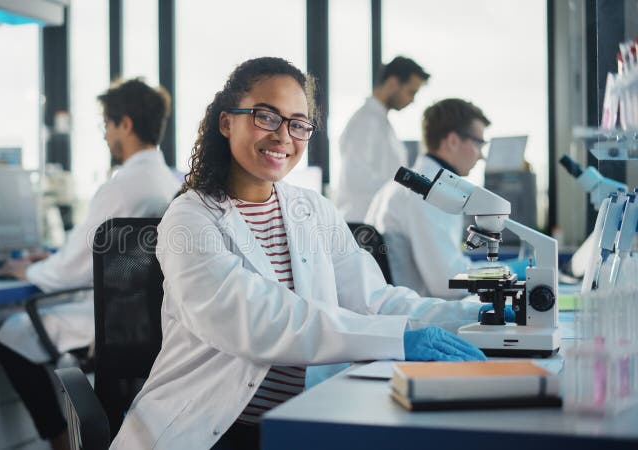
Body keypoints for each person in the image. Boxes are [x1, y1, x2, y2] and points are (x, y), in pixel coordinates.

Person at [110, 57, 490, 450]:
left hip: (307, 418)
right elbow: (259, 320)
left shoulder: (313, 209)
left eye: (297, 123)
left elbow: (375, 300)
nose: (283, 136)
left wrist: (474, 315)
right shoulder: (188, 219)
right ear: (227, 122)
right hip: (211, 429)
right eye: (265, 117)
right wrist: (398, 338)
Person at [0, 78, 181, 450]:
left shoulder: (121, 185)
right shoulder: (165, 179)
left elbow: (71, 271)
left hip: (108, 322)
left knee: (8, 335)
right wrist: (56, 258)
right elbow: (97, 253)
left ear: (124, 124)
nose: (106, 136)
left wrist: (26, 270)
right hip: (146, 322)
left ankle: (60, 442)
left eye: (106, 126)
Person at [364, 98, 496, 298]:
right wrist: (507, 273)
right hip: (421, 314)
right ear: (452, 141)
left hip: (400, 310)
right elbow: (449, 283)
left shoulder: (395, 187)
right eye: (479, 143)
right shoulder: (433, 194)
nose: (481, 156)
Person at [334, 56, 430, 222]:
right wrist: (407, 192)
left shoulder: (380, 122)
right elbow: (357, 178)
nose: (412, 100)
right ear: (393, 83)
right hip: (361, 223)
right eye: (411, 92)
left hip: (373, 220)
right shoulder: (364, 122)